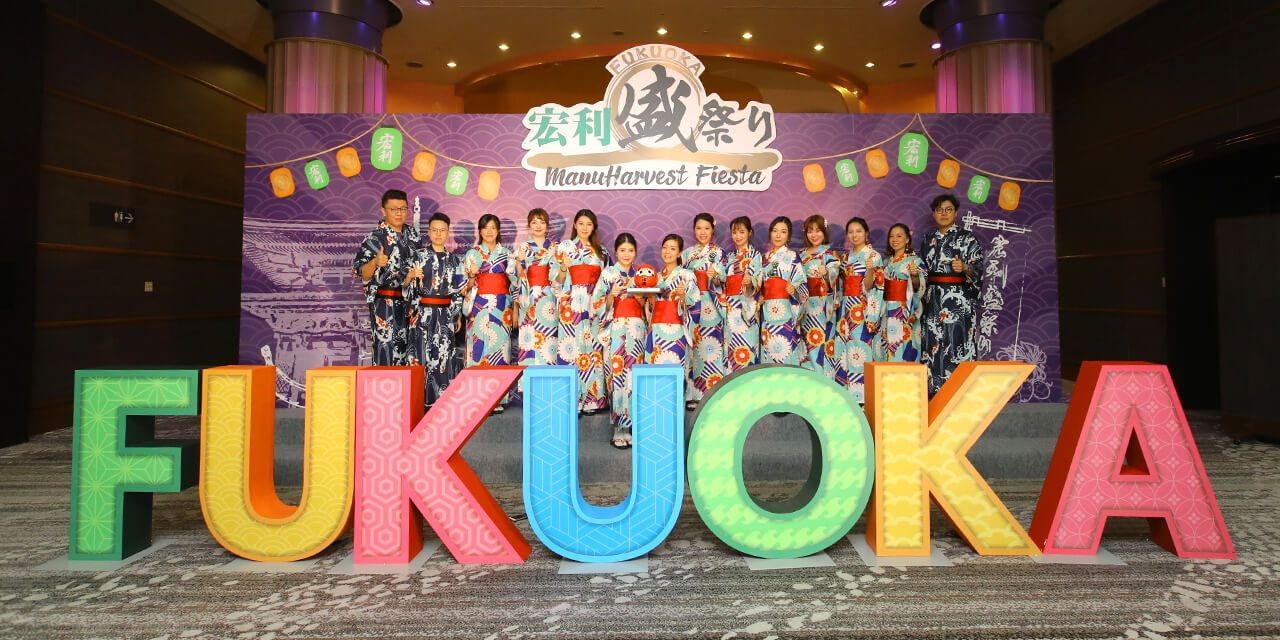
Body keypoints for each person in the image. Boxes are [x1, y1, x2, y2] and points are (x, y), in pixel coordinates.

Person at [920, 194, 985, 396]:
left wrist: (965, 267)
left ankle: (959, 391)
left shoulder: (967, 238)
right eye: (939, 210)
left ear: (956, 212)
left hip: (958, 301)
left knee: (956, 341)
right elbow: (922, 270)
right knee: (933, 343)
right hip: (933, 300)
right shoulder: (927, 239)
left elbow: (979, 268)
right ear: (934, 214)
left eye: (948, 209)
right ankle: (933, 392)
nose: (944, 214)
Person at [405, 212, 465, 410]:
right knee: (421, 357)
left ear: (448, 232)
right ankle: (418, 403)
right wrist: (411, 276)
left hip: (445, 315)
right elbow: (406, 288)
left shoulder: (455, 261)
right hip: (422, 314)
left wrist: (455, 314)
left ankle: (441, 403)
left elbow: (458, 291)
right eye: (434, 230)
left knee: (443, 357)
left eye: (442, 230)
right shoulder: (418, 256)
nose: (438, 234)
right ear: (428, 232)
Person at [591, 234, 646, 449]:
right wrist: (611, 297)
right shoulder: (608, 273)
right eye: (622, 250)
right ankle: (618, 427)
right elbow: (595, 306)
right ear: (615, 252)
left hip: (636, 328)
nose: (626, 254)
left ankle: (631, 426)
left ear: (635, 252)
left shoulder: (642, 274)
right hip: (615, 328)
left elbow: (650, 305)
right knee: (617, 375)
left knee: (634, 377)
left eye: (630, 250)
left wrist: (643, 300)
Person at [353, 189, 419, 366]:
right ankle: (385, 392)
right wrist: (375, 262)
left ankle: (409, 394)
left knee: (411, 356)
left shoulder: (413, 236)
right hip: (385, 305)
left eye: (403, 208)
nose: (399, 213)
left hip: (410, 306)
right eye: (394, 209)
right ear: (383, 211)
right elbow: (360, 271)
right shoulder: (374, 238)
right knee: (387, 354)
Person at [555, 209, 610, 414]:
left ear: (593, 227)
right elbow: (556, 282)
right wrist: (562, 268)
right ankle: (573, 400)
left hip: (594, 303)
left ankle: (593, 399)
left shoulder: (601, 252)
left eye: (589, 224)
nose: (585, 227)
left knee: (593, 349)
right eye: (581, 223)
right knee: (572, 349)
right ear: (575, 225)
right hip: (571, 303)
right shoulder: (564, 247)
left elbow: (606, 281)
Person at [462, 214, 518, 410]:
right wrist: (471, 275)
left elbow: (515, 284)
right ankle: (477, 398)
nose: (489, 231)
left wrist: (516, 307)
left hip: (502, 307)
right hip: (478, 307)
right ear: (480, 231)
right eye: (485, 228)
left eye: (493, 227)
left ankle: (497, 399)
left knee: (499, 349)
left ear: (498, 230)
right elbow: (464, 287)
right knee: (478, 348)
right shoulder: (472, 254)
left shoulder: (507, 254)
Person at [833, 217, 883, 403]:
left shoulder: (873, 256)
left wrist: (870, 272)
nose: (854, 235)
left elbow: (872, 286)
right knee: (845, 350)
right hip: (846, 306)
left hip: (862, 308)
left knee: (861, 349)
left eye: (858, 231)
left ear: (866, 233)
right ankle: (847, 395)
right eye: (851, 232)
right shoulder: (846, 257)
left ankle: (863, 397)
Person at [646, 234, 700, 397]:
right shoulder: (654, 277)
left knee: (675, 367)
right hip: (656, 329)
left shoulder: (687, 275)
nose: (667, 252)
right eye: (665, 247)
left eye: (672, 248)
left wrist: (684, 297)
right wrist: (649, 298)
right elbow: (651, 306)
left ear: (679, 253)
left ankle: (676, 415)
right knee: (656, 373)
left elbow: (696, 303)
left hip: (676, 330)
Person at [682, 212, 726, 407]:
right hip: (692, 304)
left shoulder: (719, 253)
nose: (702, 232)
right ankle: (693, 393)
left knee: (712, 346)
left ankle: (713, 391)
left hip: (710, 303)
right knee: (694, 347)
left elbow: (723, 281)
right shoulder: (686, 254)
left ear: (713, 230)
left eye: (707, 228)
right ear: (694, 230)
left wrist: (715, 276)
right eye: (699, 228)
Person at [515, 208, 560, 370]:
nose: (538, 226)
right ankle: (528, 385)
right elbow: (516, 278)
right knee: (529, 339)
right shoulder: (523, 247)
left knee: (548, 341)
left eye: (542, 222)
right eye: (534, 222)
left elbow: (559, 278)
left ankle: (549, 382)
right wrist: (519, 263)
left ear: (547, 227)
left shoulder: (554, 248)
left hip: (548, 297)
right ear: (528, 226)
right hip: (528, 298)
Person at [759, 217, 806, 365]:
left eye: (783, 232)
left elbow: (802, 285)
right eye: (775, 231)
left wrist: (794, 289)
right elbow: (759, 285)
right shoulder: (764, 258)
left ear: (789, 236)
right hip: (767, 311)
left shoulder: (792, 256)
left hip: (786, 310)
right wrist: (760, 295)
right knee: (769, 347)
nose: (778, 235)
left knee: (785, 347)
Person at [875, 223, 925, 363]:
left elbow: (919, 289)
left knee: (905, 346)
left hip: (904, 310)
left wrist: (914, 276)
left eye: (899, 236)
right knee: (888, 347)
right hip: (887, 310)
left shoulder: (915, 261)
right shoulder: (886, 262)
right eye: (891, 236)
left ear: (907, 239)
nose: (894, 239)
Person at [798, 215, 841, 374]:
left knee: (820, 342)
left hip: (822, 306)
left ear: (824, 232)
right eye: (810, 231)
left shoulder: (830, 254)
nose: (814, 235)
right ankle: (808, 381)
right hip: (804, 306)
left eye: (818, 231)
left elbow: (835, 280)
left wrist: (827, 273)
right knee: (805, 345)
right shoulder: (801, 255)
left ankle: (824, 381)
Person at [721, 216, 763, 376]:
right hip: (730, 307)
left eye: (742, 232)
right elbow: (722, 282)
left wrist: (751, 282)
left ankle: (748, 386)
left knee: (747, 346)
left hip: (747, 307)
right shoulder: (729, 257)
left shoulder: (755, 256)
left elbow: (759, 280)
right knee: (731, 348)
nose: (738, 236)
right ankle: (732, 386)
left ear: (749, 233)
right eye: (734, 232)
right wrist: (717, 278)